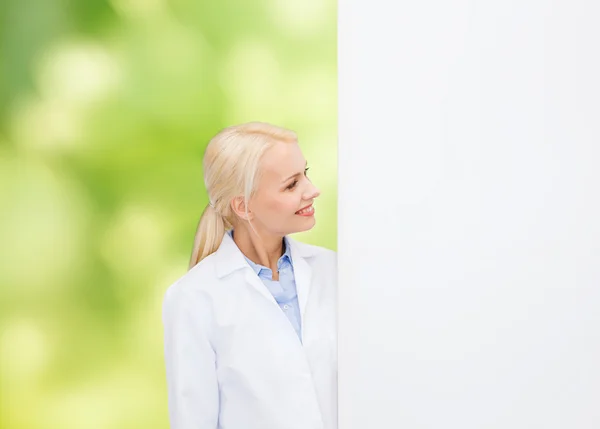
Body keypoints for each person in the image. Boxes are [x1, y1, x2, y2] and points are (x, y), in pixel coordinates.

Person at [162, 122, 337, 429]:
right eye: (291, 184)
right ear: (243, 206)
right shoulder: (194, 299)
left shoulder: (332, 271)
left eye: (305, 173)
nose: (312, 190)